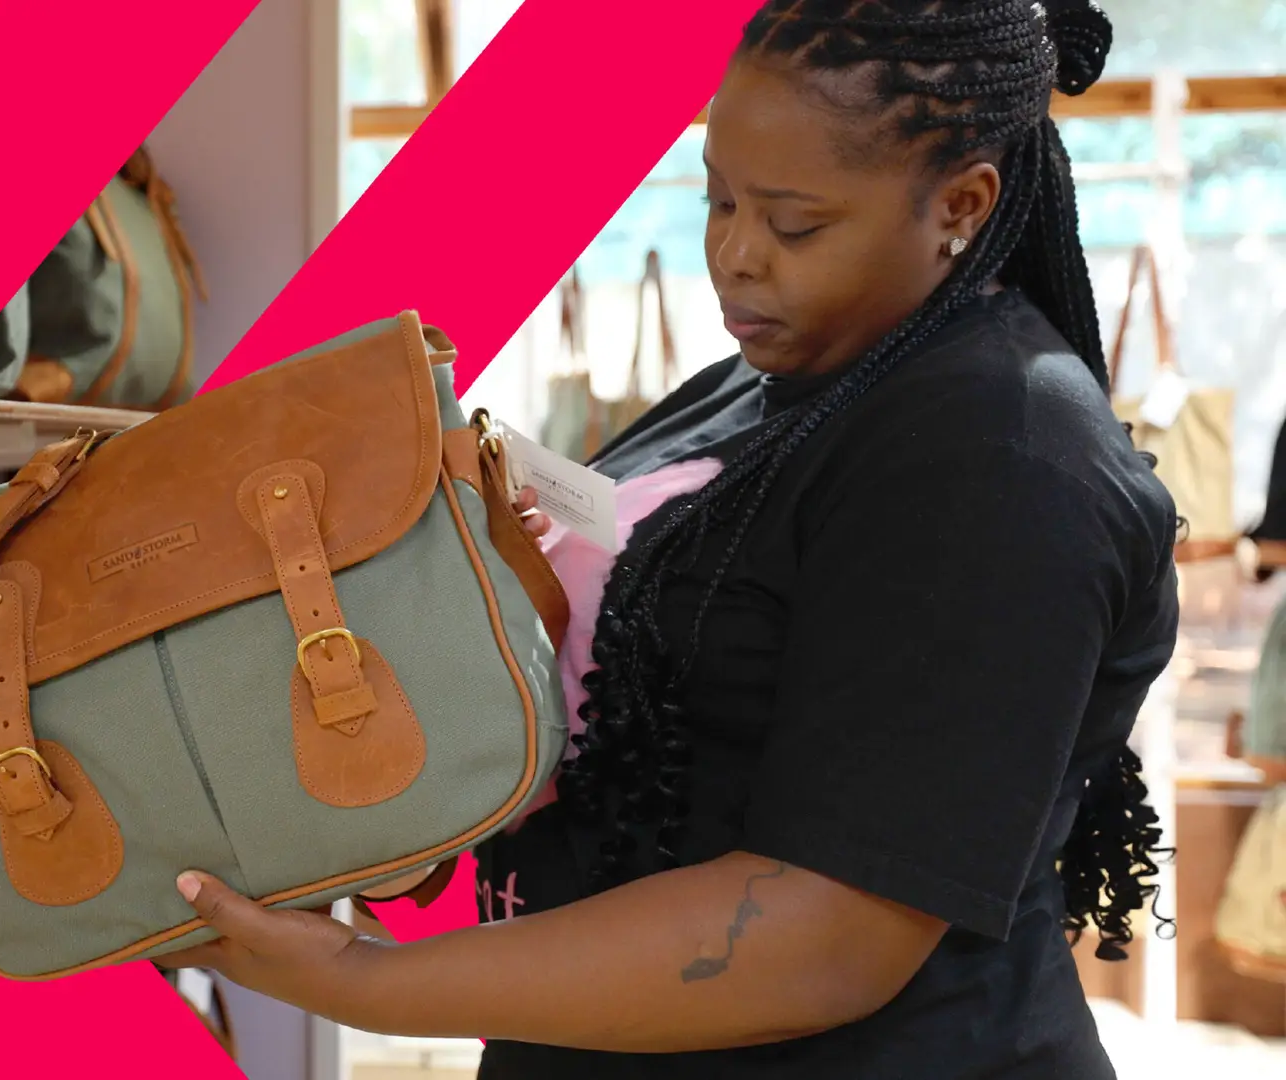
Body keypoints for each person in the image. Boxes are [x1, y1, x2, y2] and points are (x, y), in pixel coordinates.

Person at [159, 2, 1179, 1076]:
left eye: (795, 225)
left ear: (961, 205)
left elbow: (828, 938)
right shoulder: (779, 376)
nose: (734, 256)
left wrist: (364, 981)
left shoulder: (998, 455)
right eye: (719, 199)